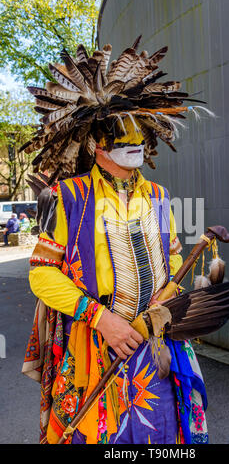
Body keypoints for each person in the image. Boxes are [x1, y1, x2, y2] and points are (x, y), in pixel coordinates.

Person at [22, 37, 211, 445]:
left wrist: (173, 296)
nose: (134, 143)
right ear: (94, 144)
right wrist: (101, 319)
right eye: (119, 134)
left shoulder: (159, 196)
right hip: (96, 344)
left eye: (139, 133)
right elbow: (42, 275)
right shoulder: (65, 197)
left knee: (166, 435)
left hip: (158, 341)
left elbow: (173, 258)